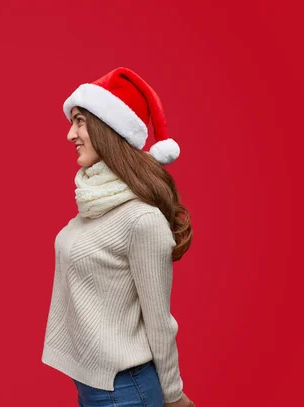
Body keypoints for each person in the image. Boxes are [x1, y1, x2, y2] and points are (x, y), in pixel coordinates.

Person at [42, 67, 195, 407]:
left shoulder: (141, 218)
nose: (71, 134)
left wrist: (172, 396)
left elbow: (159, 321)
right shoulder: (96, 204)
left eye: (80, 121)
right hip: (96, 386)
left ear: (108, 128)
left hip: (126, 390)